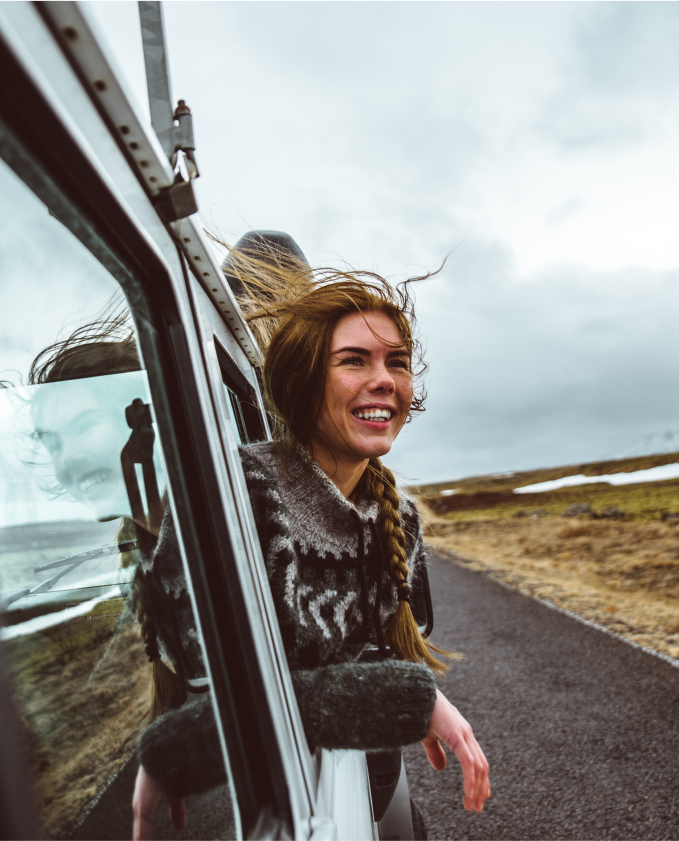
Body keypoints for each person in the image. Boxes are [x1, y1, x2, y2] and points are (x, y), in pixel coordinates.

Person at [131, 238, 491, 841]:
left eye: (396, 362)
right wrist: (410, 699)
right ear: (300, 382)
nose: (384, 380)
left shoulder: (395, 515)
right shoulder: (235, 493)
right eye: (354, 360)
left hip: (359, 782)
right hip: (260, 799)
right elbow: (218, 687)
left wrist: (391, 696)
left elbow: (362, 661)